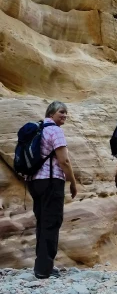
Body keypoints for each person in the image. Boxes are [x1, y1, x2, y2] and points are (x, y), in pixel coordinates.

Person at [28, 101, 78, 279]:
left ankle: (41, 265)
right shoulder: (55, 130)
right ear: (51, 113)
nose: (64, 115)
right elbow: (64, 161)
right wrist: (72, 182)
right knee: (52, 223)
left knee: (42, 222)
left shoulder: (38, 129)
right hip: (51, 181)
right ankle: (44, 269)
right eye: (61, 112)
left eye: (66, 112)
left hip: (35, 182)